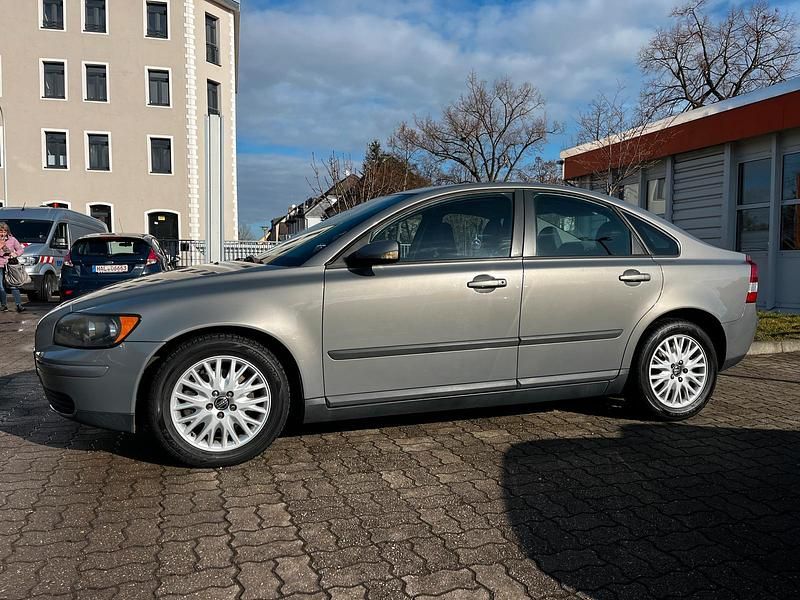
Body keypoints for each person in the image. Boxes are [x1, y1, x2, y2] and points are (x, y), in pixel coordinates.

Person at [0, 222, 25, 313]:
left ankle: (19, 305)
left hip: (10, 265)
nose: (3, 233)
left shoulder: (12, 239)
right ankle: (4, 305)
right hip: (0, 265)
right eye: (1, 231)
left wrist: (15, 254)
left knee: (14, 285)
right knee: (1, 286)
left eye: (5, 231)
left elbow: (21, 249)